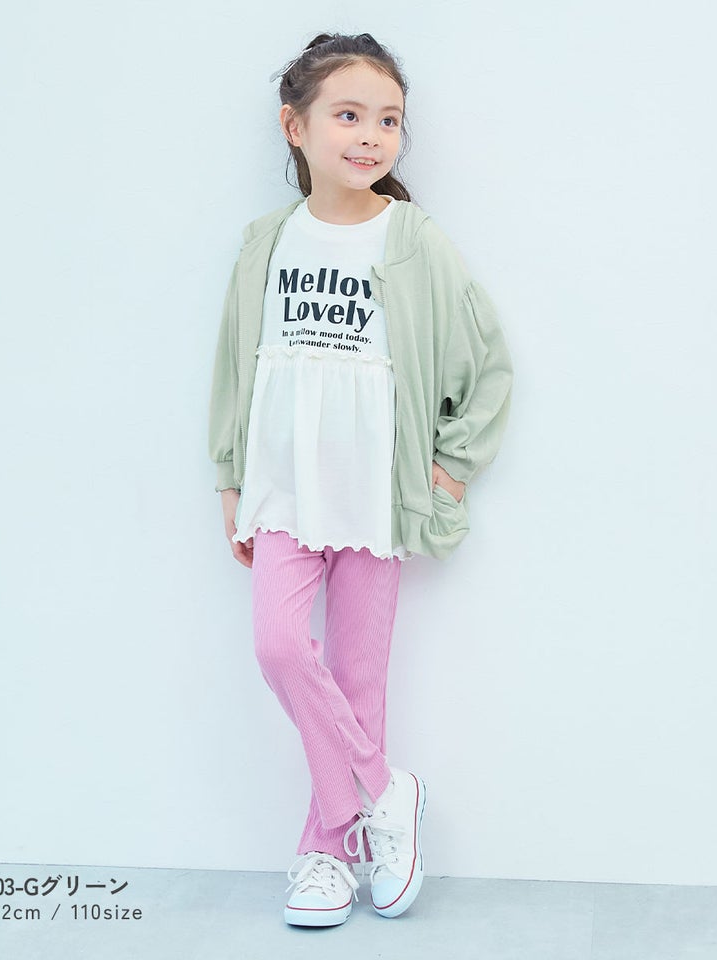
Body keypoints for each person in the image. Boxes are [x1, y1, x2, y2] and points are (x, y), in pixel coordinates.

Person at [208, 31, 513, 927]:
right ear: (294, 127)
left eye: (389, 120)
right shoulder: (266, 242)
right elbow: (232, 368)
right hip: (283, 487)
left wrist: (451, 469)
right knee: (278, 646)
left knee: (356, 675)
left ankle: (326, 854)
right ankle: (384, 791)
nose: (372, 136)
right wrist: (230, 478)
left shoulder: (414, 240)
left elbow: (486, 363)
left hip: (377, 494)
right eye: (348, 115)